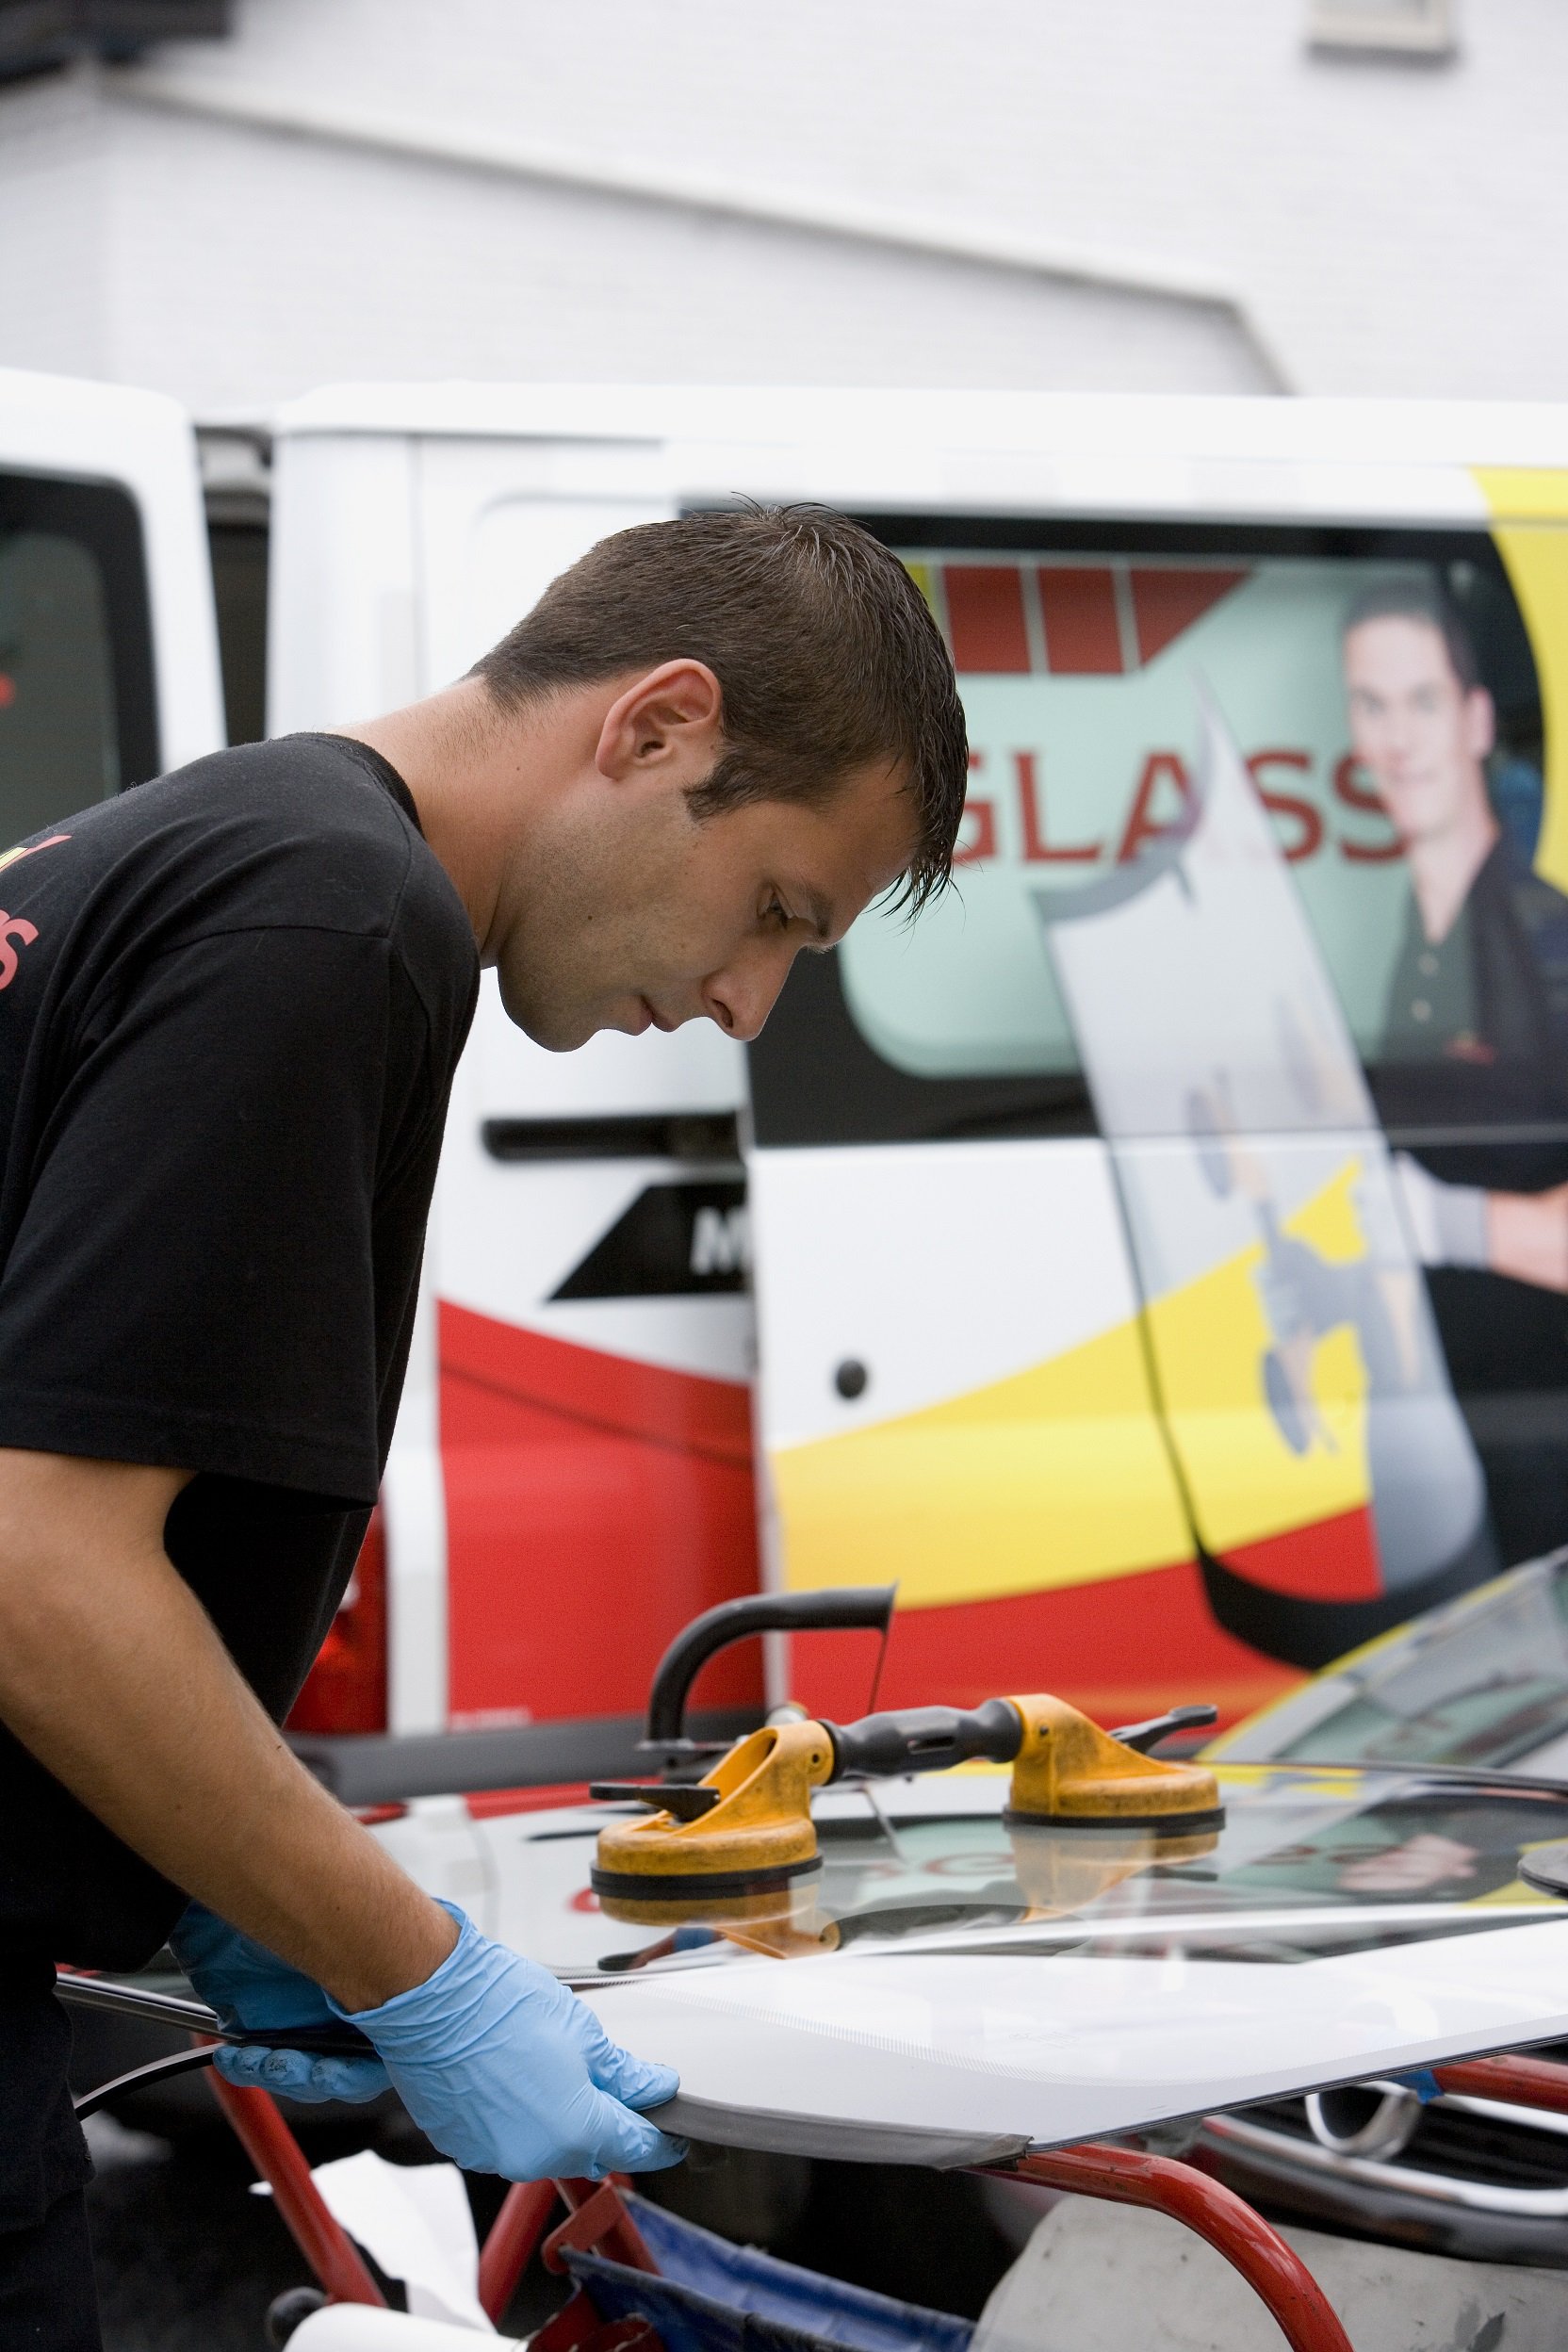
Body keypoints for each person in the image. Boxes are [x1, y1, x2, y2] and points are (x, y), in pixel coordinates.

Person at [0, 505, 969, 2345]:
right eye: (773, 911)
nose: (744, 1007)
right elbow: (35, 1561)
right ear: (659, 725)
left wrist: (210, 1862)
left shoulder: (218, 841)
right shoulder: (331, 918)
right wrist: (412, 1963)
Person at [1342, 580, 1568, 1292]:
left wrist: (1434, 1220)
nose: (1398, 741)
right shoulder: (1405, 936)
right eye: (1372, 707)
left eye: (1424, 702)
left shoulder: (1546, 938)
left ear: (1476, 722)